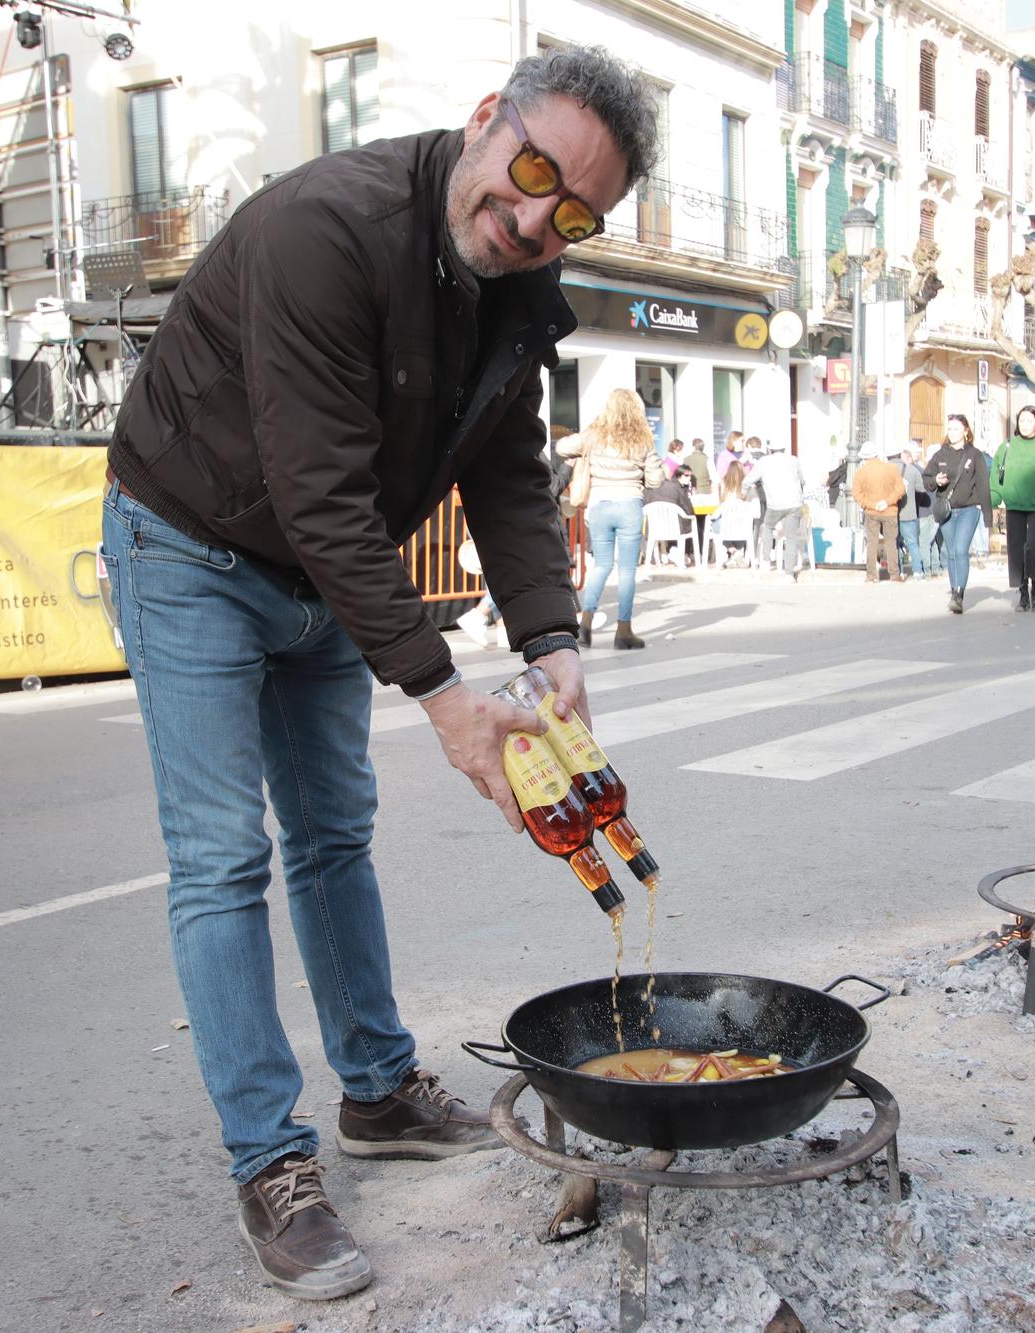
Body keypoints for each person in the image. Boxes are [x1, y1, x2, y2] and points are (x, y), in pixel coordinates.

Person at [102, 47, 656, 1299]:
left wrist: (552, 643)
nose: (526, 223)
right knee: (220, 855)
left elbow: (506, 469)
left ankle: (377, 1091)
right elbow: (320, 493)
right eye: (522, 177)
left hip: (313, 571)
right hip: (188, 540)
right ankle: (270, 1164)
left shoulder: (524, 277)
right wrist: (447, 699)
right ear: (481, 123)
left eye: (568, 214)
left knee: (334, 835)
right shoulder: (324, 229)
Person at [564, 388, 665, 646]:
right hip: (630, 504)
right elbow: (656, 478)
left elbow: (563, 446)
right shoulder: (643, 439)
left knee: (601, 565)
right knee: (627, 570)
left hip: (599, 506)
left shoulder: (594, 435)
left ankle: (585, 625)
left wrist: (583, 450)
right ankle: (624, 631)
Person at [992, 406, 1035, 611]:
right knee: (1016, 549)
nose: (1024, 425)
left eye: (1028, 421)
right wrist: (994, 500)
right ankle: (1022, 592)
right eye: (1021, 420)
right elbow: (996, 475)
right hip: (1014, 506)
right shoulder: (1007, 446)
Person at [924, 415, 992, 614]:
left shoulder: (974, 455)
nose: (952, 433)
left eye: (956, 429)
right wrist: (936, 480)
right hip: (946, 510)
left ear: (965, 431)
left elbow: (983, 485)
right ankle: (954, 590)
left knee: (961, 550)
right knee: (952, 552)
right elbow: (927, 479)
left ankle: (959, 594)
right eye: (950, 429)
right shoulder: (940, 455)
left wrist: (988, 515)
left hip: (968, 509)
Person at [749, 439, 806, 579]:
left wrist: (744, 493)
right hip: (794, 504)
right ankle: (789, 574)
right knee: (791, 537)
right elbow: (802, 481)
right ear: (784, 450)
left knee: (768, 527)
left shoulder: (764, 462)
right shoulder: (793, 460)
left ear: (769, 450)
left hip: (774, 504)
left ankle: (766, 562)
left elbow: (748, 480)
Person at [851, 442, 906, 584]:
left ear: (864, 457)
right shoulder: (891, 469)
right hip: (890, 511)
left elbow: (857, 494)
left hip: (871, 512)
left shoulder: (860, 473)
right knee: (890, 543)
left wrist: (871, 504)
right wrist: (887, 502)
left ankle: (871, 576)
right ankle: (894, 575)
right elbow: (900, 489)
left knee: (872, 543)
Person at [712, 459, 757, 565]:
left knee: (715, 525)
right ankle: (737, 552)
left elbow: (719, 503)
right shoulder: (749, 486)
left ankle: (732, 550)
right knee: (745, 526)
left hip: (727, 525)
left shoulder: (723, 484)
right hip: (743, 525)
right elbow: (754, 504)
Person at [895, 446, 930, 579]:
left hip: (892, 512)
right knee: (913, 543)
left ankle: (898, 570)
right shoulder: (913, 470)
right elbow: (922, 488)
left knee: (895, 543)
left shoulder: (888, 470)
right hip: (909, 512)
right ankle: (917, 571)